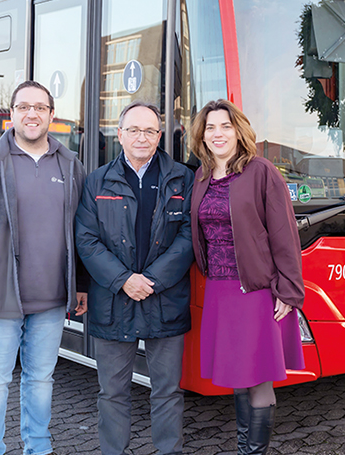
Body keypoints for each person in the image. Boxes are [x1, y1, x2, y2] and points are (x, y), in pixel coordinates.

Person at [0, 79, 88, 455]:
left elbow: (82, 230)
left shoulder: (70, 164)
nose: (32, 114)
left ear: (51, 116)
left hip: (52, 300)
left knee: (41, 379)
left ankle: (38, 448)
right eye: (24, 107)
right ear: (12, 114)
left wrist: (81, 284)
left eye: (40, 108)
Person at [76, 101, 195, 455]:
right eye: (133, 130)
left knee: (168, 391)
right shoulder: (96, 180)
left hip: (166, 300)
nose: (141, 137)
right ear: (119, 134)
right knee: (112, 393)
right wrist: (124, 279)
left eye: (149, 131)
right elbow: (86, 238)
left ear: (160, 136)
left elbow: (190, 235)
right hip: (113, 301)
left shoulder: (181, 178)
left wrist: (153, 280)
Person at [188, 99, 305, 455]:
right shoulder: (202, 176)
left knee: (257, 380)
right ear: (202, 136)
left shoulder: (260, 171)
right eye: (211, 127)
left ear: (239, 131)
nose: (218, 133)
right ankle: (245, 450)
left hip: (254, 291)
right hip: (220, 292)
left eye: (225, 126)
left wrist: (289, 291)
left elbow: (284, 233)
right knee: (238, 379)